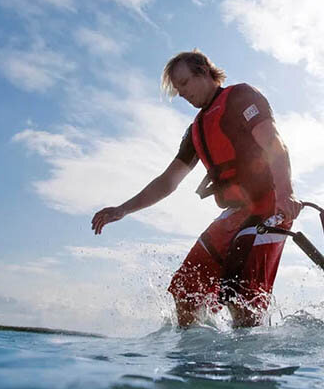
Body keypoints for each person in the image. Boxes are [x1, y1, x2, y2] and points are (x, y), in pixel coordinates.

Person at [91, 50, 302, 327]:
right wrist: (123, 209)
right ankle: (195, 361)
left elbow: (274, 144)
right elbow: (168, 181)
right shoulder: (196, 131)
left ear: (204, 71)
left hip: (270, 206)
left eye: (184, 82)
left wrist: (286, 193)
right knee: (185, 291)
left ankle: (247, 363)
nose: (181, 93)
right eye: (177, 88)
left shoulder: (241, 97)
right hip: (236, 213)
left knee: (241, 297)